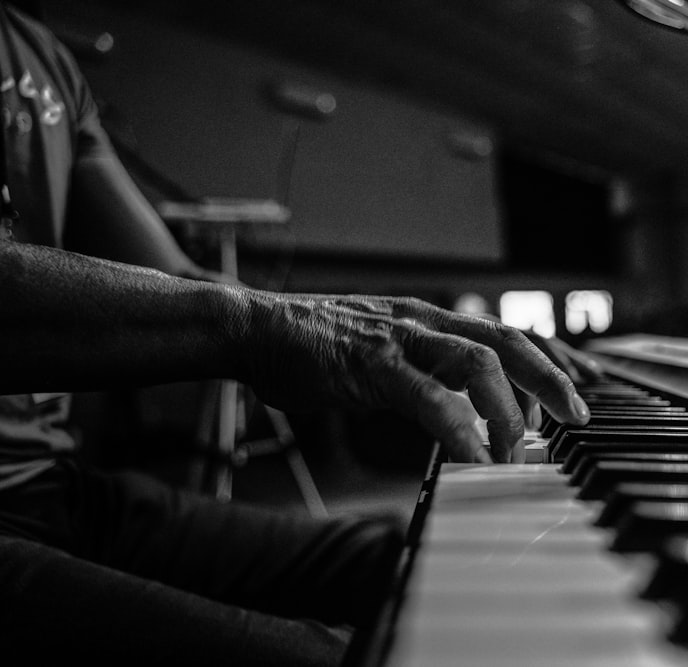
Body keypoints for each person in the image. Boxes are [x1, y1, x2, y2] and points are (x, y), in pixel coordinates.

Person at [0, 4, 592, 664]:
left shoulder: (43, 57)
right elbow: (221, 314)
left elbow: (178, 279)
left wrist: (382, 322)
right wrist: (258, 327)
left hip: (51, 484)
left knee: (423, 559)